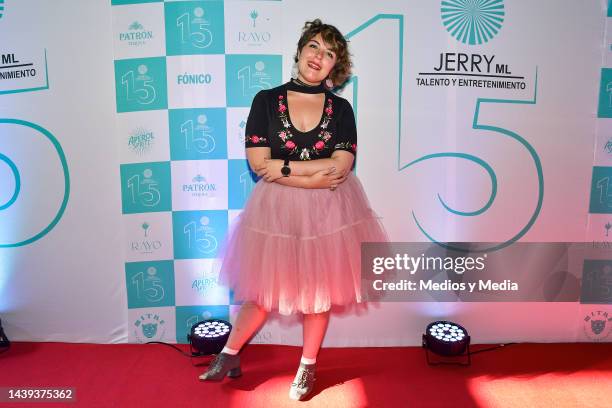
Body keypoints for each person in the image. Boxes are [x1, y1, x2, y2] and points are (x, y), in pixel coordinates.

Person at [199, 19, 387, 401]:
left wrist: (284, 169)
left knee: (319, 292)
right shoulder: (266, 100)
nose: (319, 57)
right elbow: (257, 163)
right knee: (263, 291)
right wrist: (310, 177)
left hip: (331, 215)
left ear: (337, 66)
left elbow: (340, 167)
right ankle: (230, 354)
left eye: (330, 53)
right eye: (314, 47)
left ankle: (307, 366)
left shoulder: (341, 108)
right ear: (300, 50)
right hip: (276, 214)